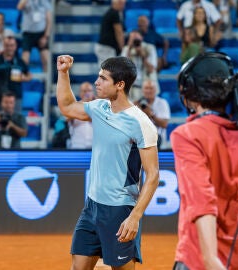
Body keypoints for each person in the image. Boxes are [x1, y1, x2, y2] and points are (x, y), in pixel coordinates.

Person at [171, 52, 238, 269]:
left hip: (200, 257)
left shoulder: (187, 135)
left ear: (191, 91)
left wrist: (211, 260)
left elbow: (202, 201)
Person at [57, 54, 159, 270]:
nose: (97, 82)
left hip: (120, 209)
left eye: (103, 78)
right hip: (92, 205)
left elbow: (153, 175)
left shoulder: (140, 123)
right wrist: (63, 73)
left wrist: (135, 217)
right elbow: (67, 106)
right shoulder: (99, 108)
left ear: (120, 85)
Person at [0, 36, 32, 113]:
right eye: (7, 45)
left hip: (15, 99)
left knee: (15, 122)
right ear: (4, 46)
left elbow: (29, 75)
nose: (9, 48)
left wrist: (25, 78)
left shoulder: (20, 62)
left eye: (12, 45)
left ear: (15, 46)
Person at [121, 30, 158, 101]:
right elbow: (123, 68)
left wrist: (143, 56)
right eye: (133, 39)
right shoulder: (126, 49)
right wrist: (129, 48)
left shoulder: (150, 48)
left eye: (137, 39)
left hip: (147, 88)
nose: (135, 42)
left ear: (142, 38)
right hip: (131, 88)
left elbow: (151, 69)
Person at [135, 79, 170, 150]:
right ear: (142, 90)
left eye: (151, 88)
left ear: (155, 90)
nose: (148, 91)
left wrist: (151, 114)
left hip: (158, 142)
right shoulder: (136, 104)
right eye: (146, 88)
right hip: (140, 142)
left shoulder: (162, 103)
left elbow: (164, 124)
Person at [17, 0, 52, 71]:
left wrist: (45, 36)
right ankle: (23, 78)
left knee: (47, 59)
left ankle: (46, 81)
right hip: (28, 34)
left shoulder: (44, 2)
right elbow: (19, 7)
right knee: (24, 60)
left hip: (41, 34)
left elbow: (49, 20)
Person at [94, 0, 126, 67]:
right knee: (108, 72)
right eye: (121, 3)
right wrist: (123, 50)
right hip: (106, 48)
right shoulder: (114, 13)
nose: (123, 5)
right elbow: (119, 32)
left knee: (107, 72)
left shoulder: (113, 13)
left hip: (106, 48)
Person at [67, 82, 95, 149]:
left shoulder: (99, 107)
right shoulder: (74, 106)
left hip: (95, 146)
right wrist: (82, 104)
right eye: (84, 91)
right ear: (80, 93)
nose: (87, 93)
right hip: (77, 145)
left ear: (93, 93)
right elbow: (67, 118)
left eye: (89, 91)